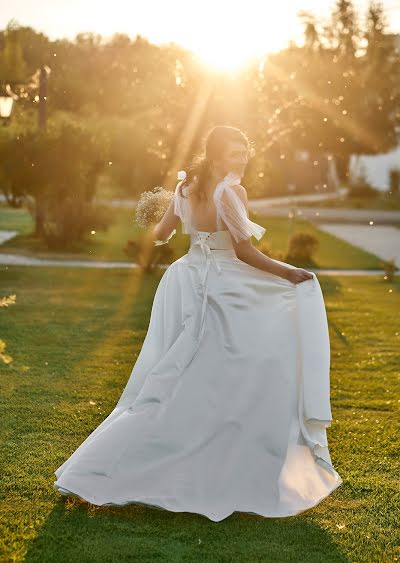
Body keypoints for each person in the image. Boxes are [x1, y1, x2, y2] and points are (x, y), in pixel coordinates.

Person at [54, 125, 342, 522]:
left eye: (244, 152)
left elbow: (161, 234)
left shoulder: (185, 188)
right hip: (221, 287)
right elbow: (243, 252)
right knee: (242, 366)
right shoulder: (231, 192)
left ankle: (133, 460)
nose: (241, 160)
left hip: (185, 279)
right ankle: (221, 458)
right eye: (233, 153)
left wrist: (168, 207)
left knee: (182, 373)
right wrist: (288, 273)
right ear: (216, 155)